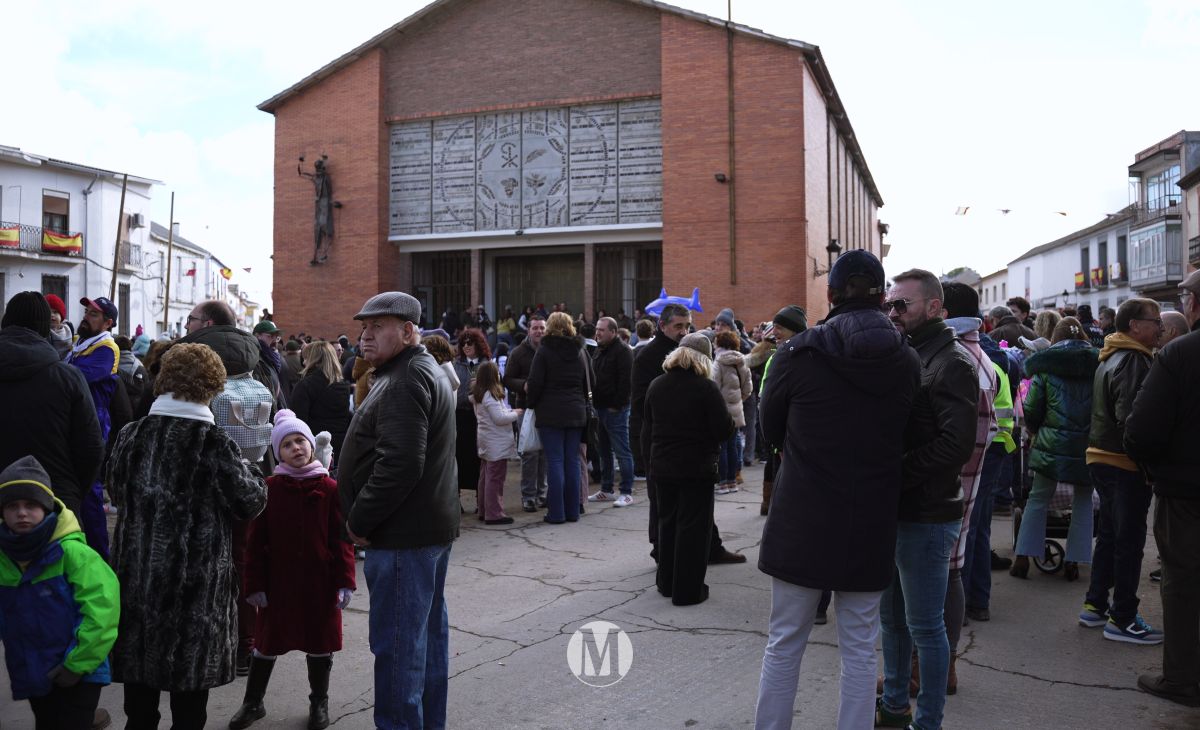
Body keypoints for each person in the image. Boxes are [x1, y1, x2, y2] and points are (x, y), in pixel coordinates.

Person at [754, 249, 919, 730]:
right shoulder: (905, 359)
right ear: (882, 296)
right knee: (861, 647)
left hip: (802, 513)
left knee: (784, 642)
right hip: (869, 516)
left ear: (830, 294)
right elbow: (910, 433)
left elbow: (770, 428)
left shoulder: (798, 352)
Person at [107, 343, 267, 729]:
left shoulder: (132, 435)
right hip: (197, 597)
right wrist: (255, 470)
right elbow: (252, 501)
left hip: (140, 585)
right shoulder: (214, 444)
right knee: (190, 712)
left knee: (139, 708)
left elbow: (114, 489)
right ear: (214, 387)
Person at [339, 291, 459, 729]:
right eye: (363, 327)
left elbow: (402, 463)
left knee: (399, 651)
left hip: (405, 537)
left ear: (408, 331)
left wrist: (358, 521)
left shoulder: (406, 378)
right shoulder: (406, 371)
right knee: (420, 645)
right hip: (420, 533)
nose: (365, 336)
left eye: (377, 327)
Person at [877, 269, 977, 730]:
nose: (893, 312)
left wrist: (896, 474)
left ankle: (928, 721)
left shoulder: (951, 361)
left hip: (928, 513)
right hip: (899, 510)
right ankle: (895, 706)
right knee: (892, 622)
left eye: (903, 305)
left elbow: (955, 444)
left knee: (924, 627)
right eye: (890, 305)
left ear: (935, 308)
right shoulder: (910, 352)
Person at [230, 410, 356, 730]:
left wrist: (345, 581)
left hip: (320, 584)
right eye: (287, 444)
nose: (296, 448)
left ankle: (319, 703)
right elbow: (254, 543)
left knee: (320, 643)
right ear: (278, 453)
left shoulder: (329, 488)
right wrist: (254, 584)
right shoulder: (269, 487)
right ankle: (253, 702)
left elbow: (341, 539)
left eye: (301, 440)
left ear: (312, 446)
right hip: (279, 585)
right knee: (266, 643)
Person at [1125, 269, 1200, 706]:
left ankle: (1181, 678)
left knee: (1184, 581)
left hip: (1186, 491)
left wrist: (1152, 466)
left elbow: (1142, 429)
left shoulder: (1180, 354)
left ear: (1192, 303)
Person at [0, 456, 119, 730]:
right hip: (35, 672)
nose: (21, 513)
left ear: (46, 508)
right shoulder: (5, 558)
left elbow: (102, 611)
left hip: (80, 671)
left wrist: (77, 664)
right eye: (12, 506)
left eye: (31, 505)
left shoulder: (73, 553)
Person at [1078, 298, 1163, 645]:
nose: (1159, 327)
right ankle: (1123, 617)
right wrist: (1147, 465)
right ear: (1134, 326)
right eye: (1154, 320)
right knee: (1128, 541)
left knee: (1112, 536)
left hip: (1104, 458)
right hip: (1122, 463)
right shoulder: (1133, 359)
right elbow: (1133, 422)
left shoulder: (1113, 355)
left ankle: (1096, 606)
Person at [644, 333, 733, 606]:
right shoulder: (705, 388)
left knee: (667, 524)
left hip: (663, 466)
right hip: (697, 467)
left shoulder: (656, 385)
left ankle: (667, 583)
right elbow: (723, 429)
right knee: (694, 529)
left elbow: (647, 430)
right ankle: (688, 590)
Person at [0, 291, 105, 521]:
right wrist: (73, 491)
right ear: (43, 328)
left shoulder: (68, 376)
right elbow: (91, 448)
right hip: (56, 504)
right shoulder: (69, 377)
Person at [1010, 317, 1098, 582]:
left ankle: (1023, 558)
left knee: (1038, 499)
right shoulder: (1100, 363)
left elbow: (1033, 408)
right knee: (1083, 502)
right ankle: (1074, 561)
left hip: (1050, 444)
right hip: (1088, 445)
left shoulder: (1046, 365)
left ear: (1055, 339)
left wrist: (1036, 430)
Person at [66, 295, 122, 558]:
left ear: (108, 322)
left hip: (92, 426)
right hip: (74, 423)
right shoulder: (80, 344)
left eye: (94, 314)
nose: (87, 316)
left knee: (90, 496)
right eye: (87, 311)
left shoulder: (106, 348)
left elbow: (78, 377)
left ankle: (100, 556)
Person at [526, 312, 589, 524]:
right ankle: (572, 511)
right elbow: (590, 381)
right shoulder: (579, 351)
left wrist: (531, 404)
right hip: (576, 411)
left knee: (555, 461)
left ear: (550, 326)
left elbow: (535, 383)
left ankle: (556, 513)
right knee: (572, 461)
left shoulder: (544, 351)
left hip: (550, 412)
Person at [182, 299, 286, 410]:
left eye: (190, 320)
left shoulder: (181, 362)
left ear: (208, 324)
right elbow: (277, 409)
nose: (185, 326)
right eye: (271, 335)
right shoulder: (262, 364)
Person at [588, 316, 636, 507]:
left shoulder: (623, 351)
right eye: (597, 329)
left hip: (616, 409)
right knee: (603, 451)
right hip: (600, 408)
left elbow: (626, 382)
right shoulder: (600, 349)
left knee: (622, 451)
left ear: (613, 332)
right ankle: (606, 489)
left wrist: (617, 404)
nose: (597, 333)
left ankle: (626, 491)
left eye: (602, 330)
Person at [504, 315, 548, 512]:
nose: (539, 331)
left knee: (545, 453)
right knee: (530, 453)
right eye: (535, 328)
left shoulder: (550, 350)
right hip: (526, 408)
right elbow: (507, 379)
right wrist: (524, 385)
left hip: (548, 408)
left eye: (541, 328)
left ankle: (542, 493)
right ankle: (528, 496)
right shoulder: (518, 352)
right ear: (529, 330)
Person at [472, 361, 522, 525]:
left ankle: (484, 509)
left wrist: (509, 412)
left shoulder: (479, 394)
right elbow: (499, 418)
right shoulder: (490, 395)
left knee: (485, 477)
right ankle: (494, 513)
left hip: (486, 440)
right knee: (496, 478)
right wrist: (516, 413)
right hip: (496, 442)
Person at [291, 341, 353, 465]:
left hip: (313, 447)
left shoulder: (305, 386)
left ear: (314, 360)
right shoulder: (343, 386)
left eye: (307, 357)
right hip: (339, 446)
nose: (304, 361)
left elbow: (298, 423)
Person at [712, 330, 751, 495]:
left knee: (722, 447)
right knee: (733, 447)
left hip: (721, 410)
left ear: (720, 344)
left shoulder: (718, 362)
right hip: (736, 409)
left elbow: (713, 387)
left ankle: (723, 483)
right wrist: (738, 400)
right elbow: (748, 387)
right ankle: (732, 481)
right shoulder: (741, 361)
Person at [453, 328, 491, 498]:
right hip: (460, 417)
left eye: (470, 343)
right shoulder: (456, 364)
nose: (466, 346)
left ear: (478, 344)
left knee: (478, 458)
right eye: (463, 343)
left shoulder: (487, 364)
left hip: (480, 418)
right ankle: (456, 498)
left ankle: (480, 498)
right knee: (458, 457)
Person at [45, 293, 75, 359]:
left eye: (55, 312)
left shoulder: (68, 328)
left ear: (61, 316)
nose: (52, 315)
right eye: (48, 312)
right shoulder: (43, 332)